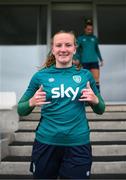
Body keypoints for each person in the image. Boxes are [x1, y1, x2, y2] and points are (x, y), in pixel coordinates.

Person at [17, 30, 105, 179]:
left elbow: (101, 109)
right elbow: (21, 109)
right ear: (53, 49)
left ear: (74, 49)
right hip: (46, 143)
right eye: (59, 45)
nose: (63, 49)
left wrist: (95, 100)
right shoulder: (40, 76)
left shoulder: (85, 75)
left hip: (78, 144)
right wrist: (31, 102)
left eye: (68, 45)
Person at [73, 19, 104, 92]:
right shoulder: (80, 38)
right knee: (85, 80)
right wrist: (75, 58)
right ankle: (86, 99)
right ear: (85, 29)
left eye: (91, 29)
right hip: (84, 61)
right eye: (88, 29)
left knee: (96, 80)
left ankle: (97, 97)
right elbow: (76, 49)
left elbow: (97, 49)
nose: (90, 31)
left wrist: (101, 59)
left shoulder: (94, 38)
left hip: (94, 61)